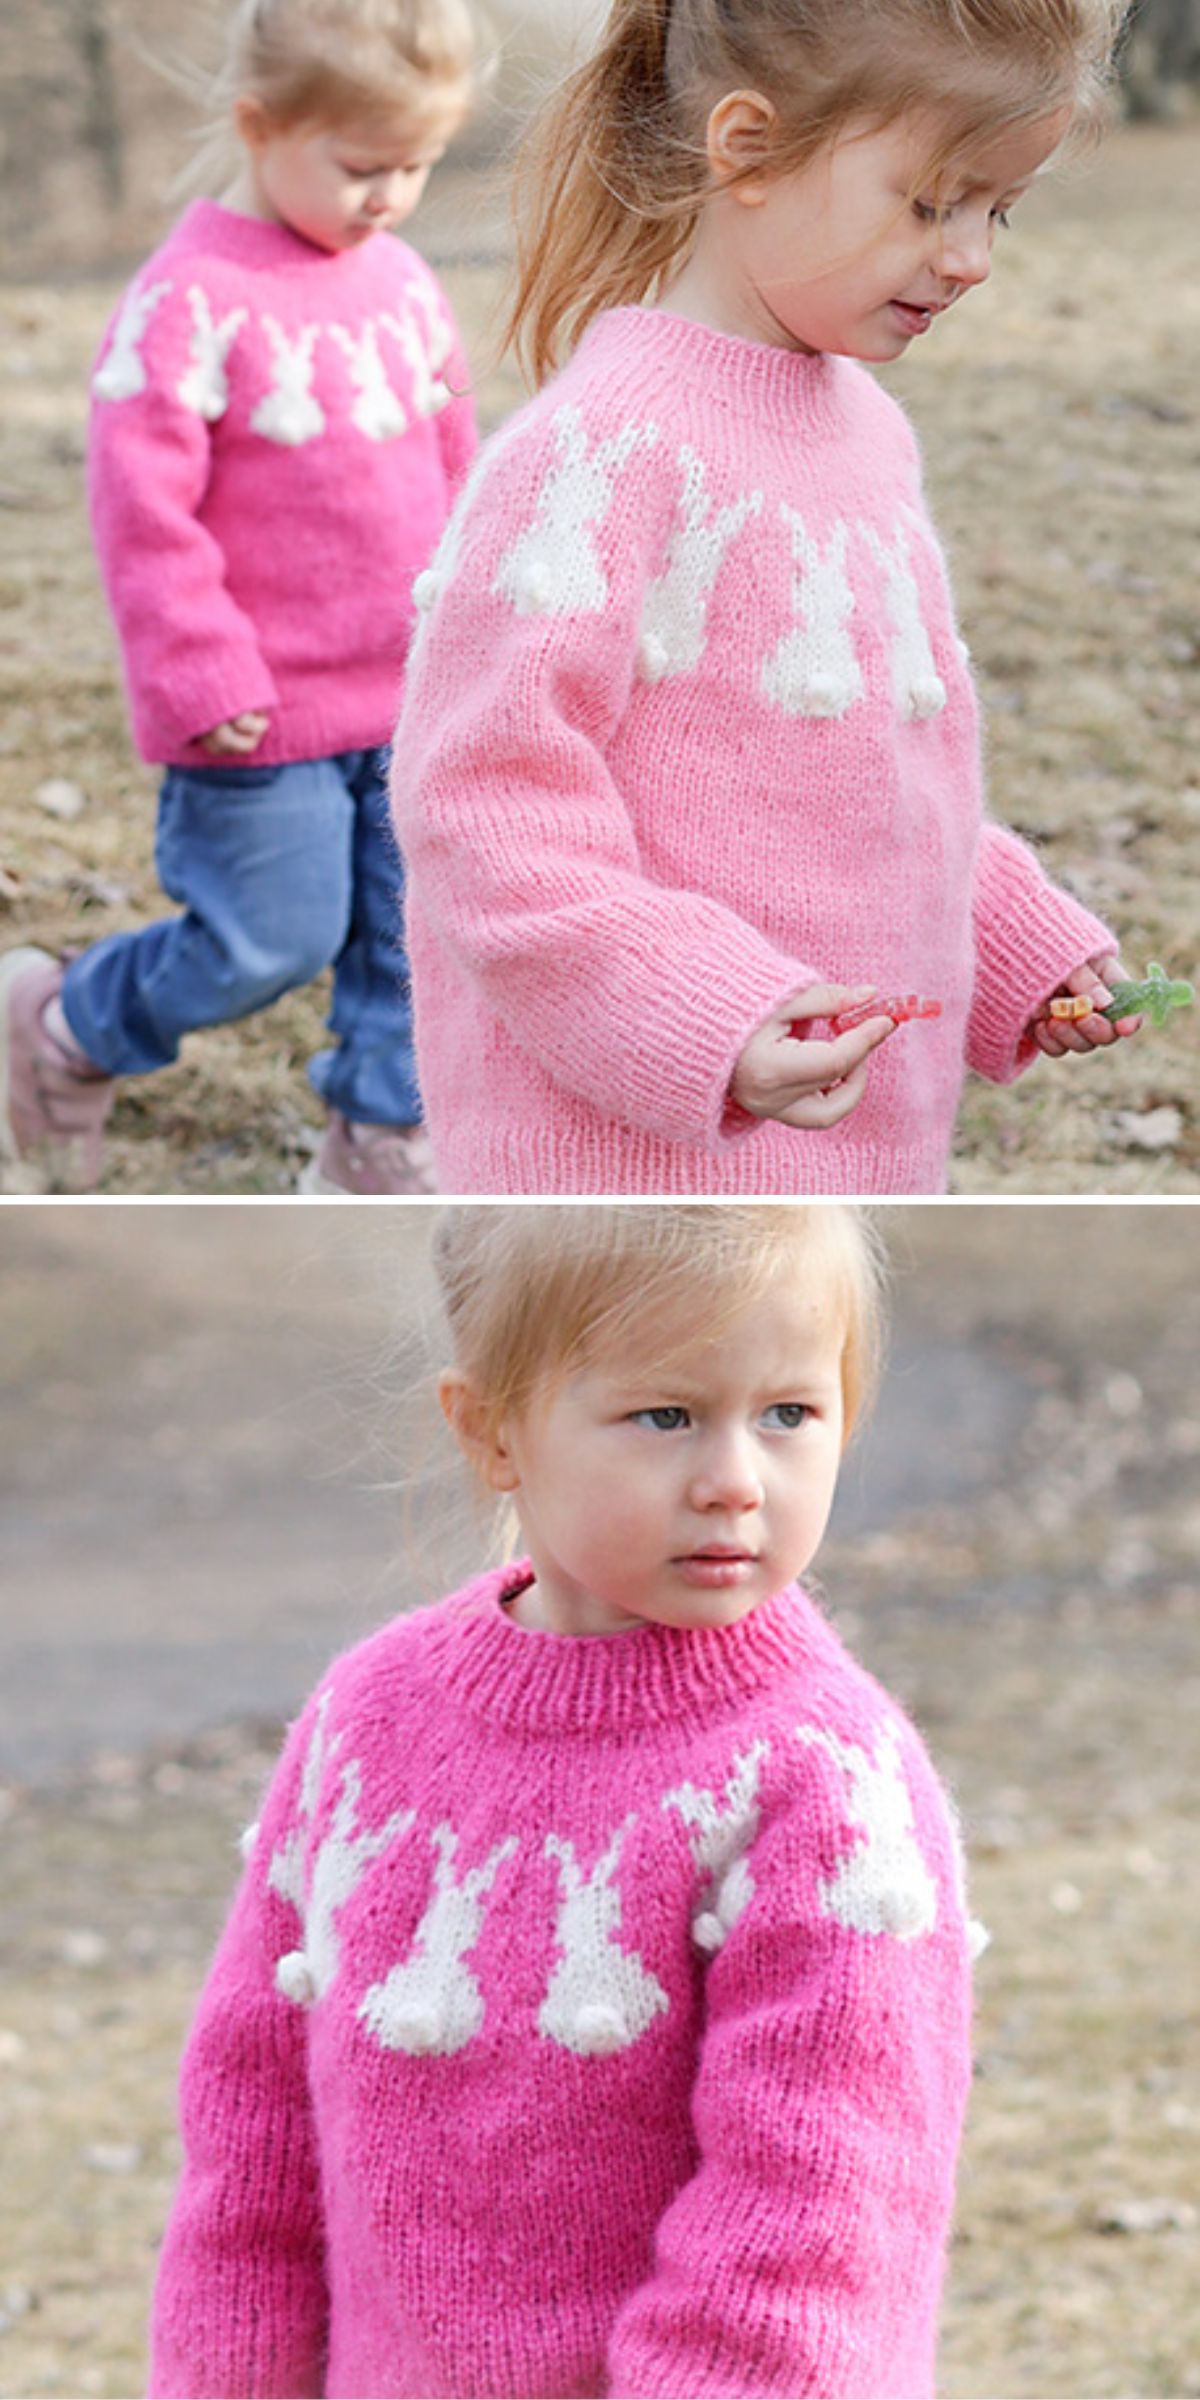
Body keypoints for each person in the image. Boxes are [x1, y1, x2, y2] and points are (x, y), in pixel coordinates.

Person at [148, 1201, 984, 2400]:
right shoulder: (364, 1727)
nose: (737, 1481)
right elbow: (252, 2149)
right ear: (494, 1433)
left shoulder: (828, 1786)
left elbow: (809, 2229)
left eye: (791, 1413)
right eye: (666, 1415)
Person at [389, 0, 1142, 1195]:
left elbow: (871, 782)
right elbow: (484, 807)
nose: (973, 256)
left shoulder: (868, 435)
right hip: (629, 1173)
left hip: (850, 1155)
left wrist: (1007, 946)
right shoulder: (601, 451)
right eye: (932, 202)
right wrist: (705, 1014)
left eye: (1001, 208)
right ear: (747, 147)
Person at [0, 0, 479, 1195]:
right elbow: (141, 515)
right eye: (364, 166)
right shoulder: (191, 299)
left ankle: (381, 1133)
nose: (391, 195)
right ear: (261, 127)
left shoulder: (406, 285)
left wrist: (477, 617)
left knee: (414, 941)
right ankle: (66, 1021)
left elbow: (455, 463)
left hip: (409, 693)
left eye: (417, 165)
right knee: (269, 941)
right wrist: (201, 672)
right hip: (255, 714)